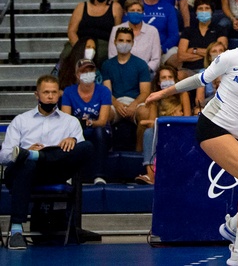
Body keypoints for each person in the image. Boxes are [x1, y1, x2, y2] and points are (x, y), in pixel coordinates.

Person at [145, 12, 238, 266]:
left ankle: (234, 226)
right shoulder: (231, 57)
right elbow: (200, 79)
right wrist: (163, 92)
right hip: (213, 126)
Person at [0, 75, 95, 250]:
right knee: (26, 163)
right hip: (24, 173)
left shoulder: (71, 122)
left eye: (53, 92)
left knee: (86, 146)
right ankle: (16, 231)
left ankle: (35, 155)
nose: (50, 96)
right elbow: (4, 156)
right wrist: (28, 149)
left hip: (54, 171)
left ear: (59, 94)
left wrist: (72, 141)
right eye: (46, 92)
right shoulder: (21, 120)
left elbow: (80, 155)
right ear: (37, 95)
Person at [135, 64, 191, 182]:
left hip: (178, 129)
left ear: (175, 80)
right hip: (162, 131)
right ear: (159, 82)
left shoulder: (182, 94)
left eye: (170, 77)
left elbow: (187, 120)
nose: (167, 80)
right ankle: (150, 175)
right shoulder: (155, 97)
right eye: (163, 78)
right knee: (149, 133)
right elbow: (152, 123)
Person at [60, 58, 112, 184]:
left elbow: (103, 120)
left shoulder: (103, 91)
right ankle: (69, 175)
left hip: (98, 129)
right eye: (84, 71)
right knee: (68, 133)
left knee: (99, 132)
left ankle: (99, 176)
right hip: (78, 128)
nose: (88, 74)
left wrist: (90, 122)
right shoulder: (69, 92)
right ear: (77, 74)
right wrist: (80, 124)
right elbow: (66, 119)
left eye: (90, 70)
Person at [65, 0, 123, 71]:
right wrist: (80, 47)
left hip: (103, 43)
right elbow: (72, 31)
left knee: (100, 56)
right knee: (67, 53)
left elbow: (117, 32)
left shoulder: (116, 7)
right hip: (81, 41)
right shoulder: (81, 6)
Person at [102, 27, 152, 124]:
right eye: (121, 40)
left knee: (145, 113)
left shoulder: (141, 64)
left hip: (135, 102)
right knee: (105, 113)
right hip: (116, 103)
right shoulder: (107, 65)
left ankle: (141, 140)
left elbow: (145, 92)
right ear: (115, 41)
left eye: (128, 41)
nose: (124, 43)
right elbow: (107, 92)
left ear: (132, 43)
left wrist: (134, 104)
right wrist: (116, 104)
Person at [177, 0, 228, 80]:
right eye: (200, 8)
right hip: (190, 70)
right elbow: (181, 56)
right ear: (196, 12)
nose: (204, 11)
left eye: (207, 8)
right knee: (179, 75)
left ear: (211, 11)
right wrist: (209, 54)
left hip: (212, 70)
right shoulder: (188, 31)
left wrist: (195, 50)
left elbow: (220, 54)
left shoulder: (220, 30)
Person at [113, 0, 162, 73]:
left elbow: (156, 59)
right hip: (121, 72)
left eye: (138, 11)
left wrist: (142, 71)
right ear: (126, 12)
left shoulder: (152, 31)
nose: (135, 13)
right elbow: (112, 55)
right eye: (132, 11)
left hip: (146, 73)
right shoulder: (116, 30)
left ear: (143, 12)